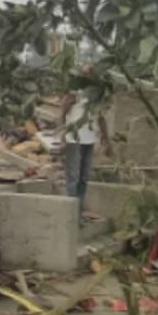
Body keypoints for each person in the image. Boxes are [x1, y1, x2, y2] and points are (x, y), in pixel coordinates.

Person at [58, 65, 111, 216]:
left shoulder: (96, 95)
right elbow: (61, 113)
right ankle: (71, 213)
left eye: (91, 74)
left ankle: (78, 211)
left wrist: (106, 139)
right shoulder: (73, 93)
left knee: (84, 177)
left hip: (90, 139)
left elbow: (101, 117)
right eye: (86, 74)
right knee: (73, 177)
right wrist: (62, 137)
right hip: (73, 140)